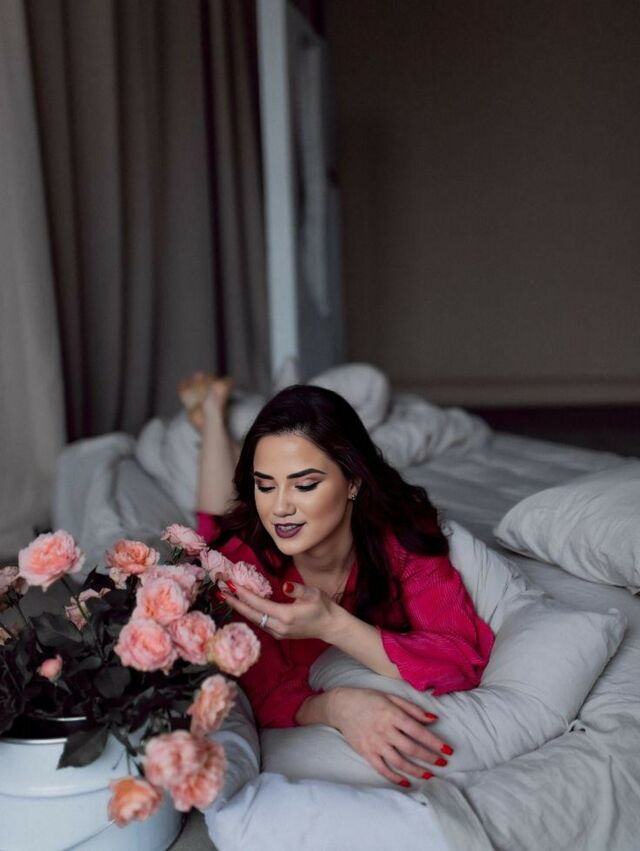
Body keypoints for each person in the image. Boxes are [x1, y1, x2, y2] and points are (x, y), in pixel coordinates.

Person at [178, 372, 494, 788]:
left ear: (353, 482)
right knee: (214, 527)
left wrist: (334, 625)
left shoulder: (401, 538)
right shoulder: (240, 568)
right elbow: (264, 694)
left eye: (305, 485)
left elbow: (460, 660)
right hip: (237, 543)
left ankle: (224, 425)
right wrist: (338, 707)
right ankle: (213, 414)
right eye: (265, 486)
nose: (280, 508)